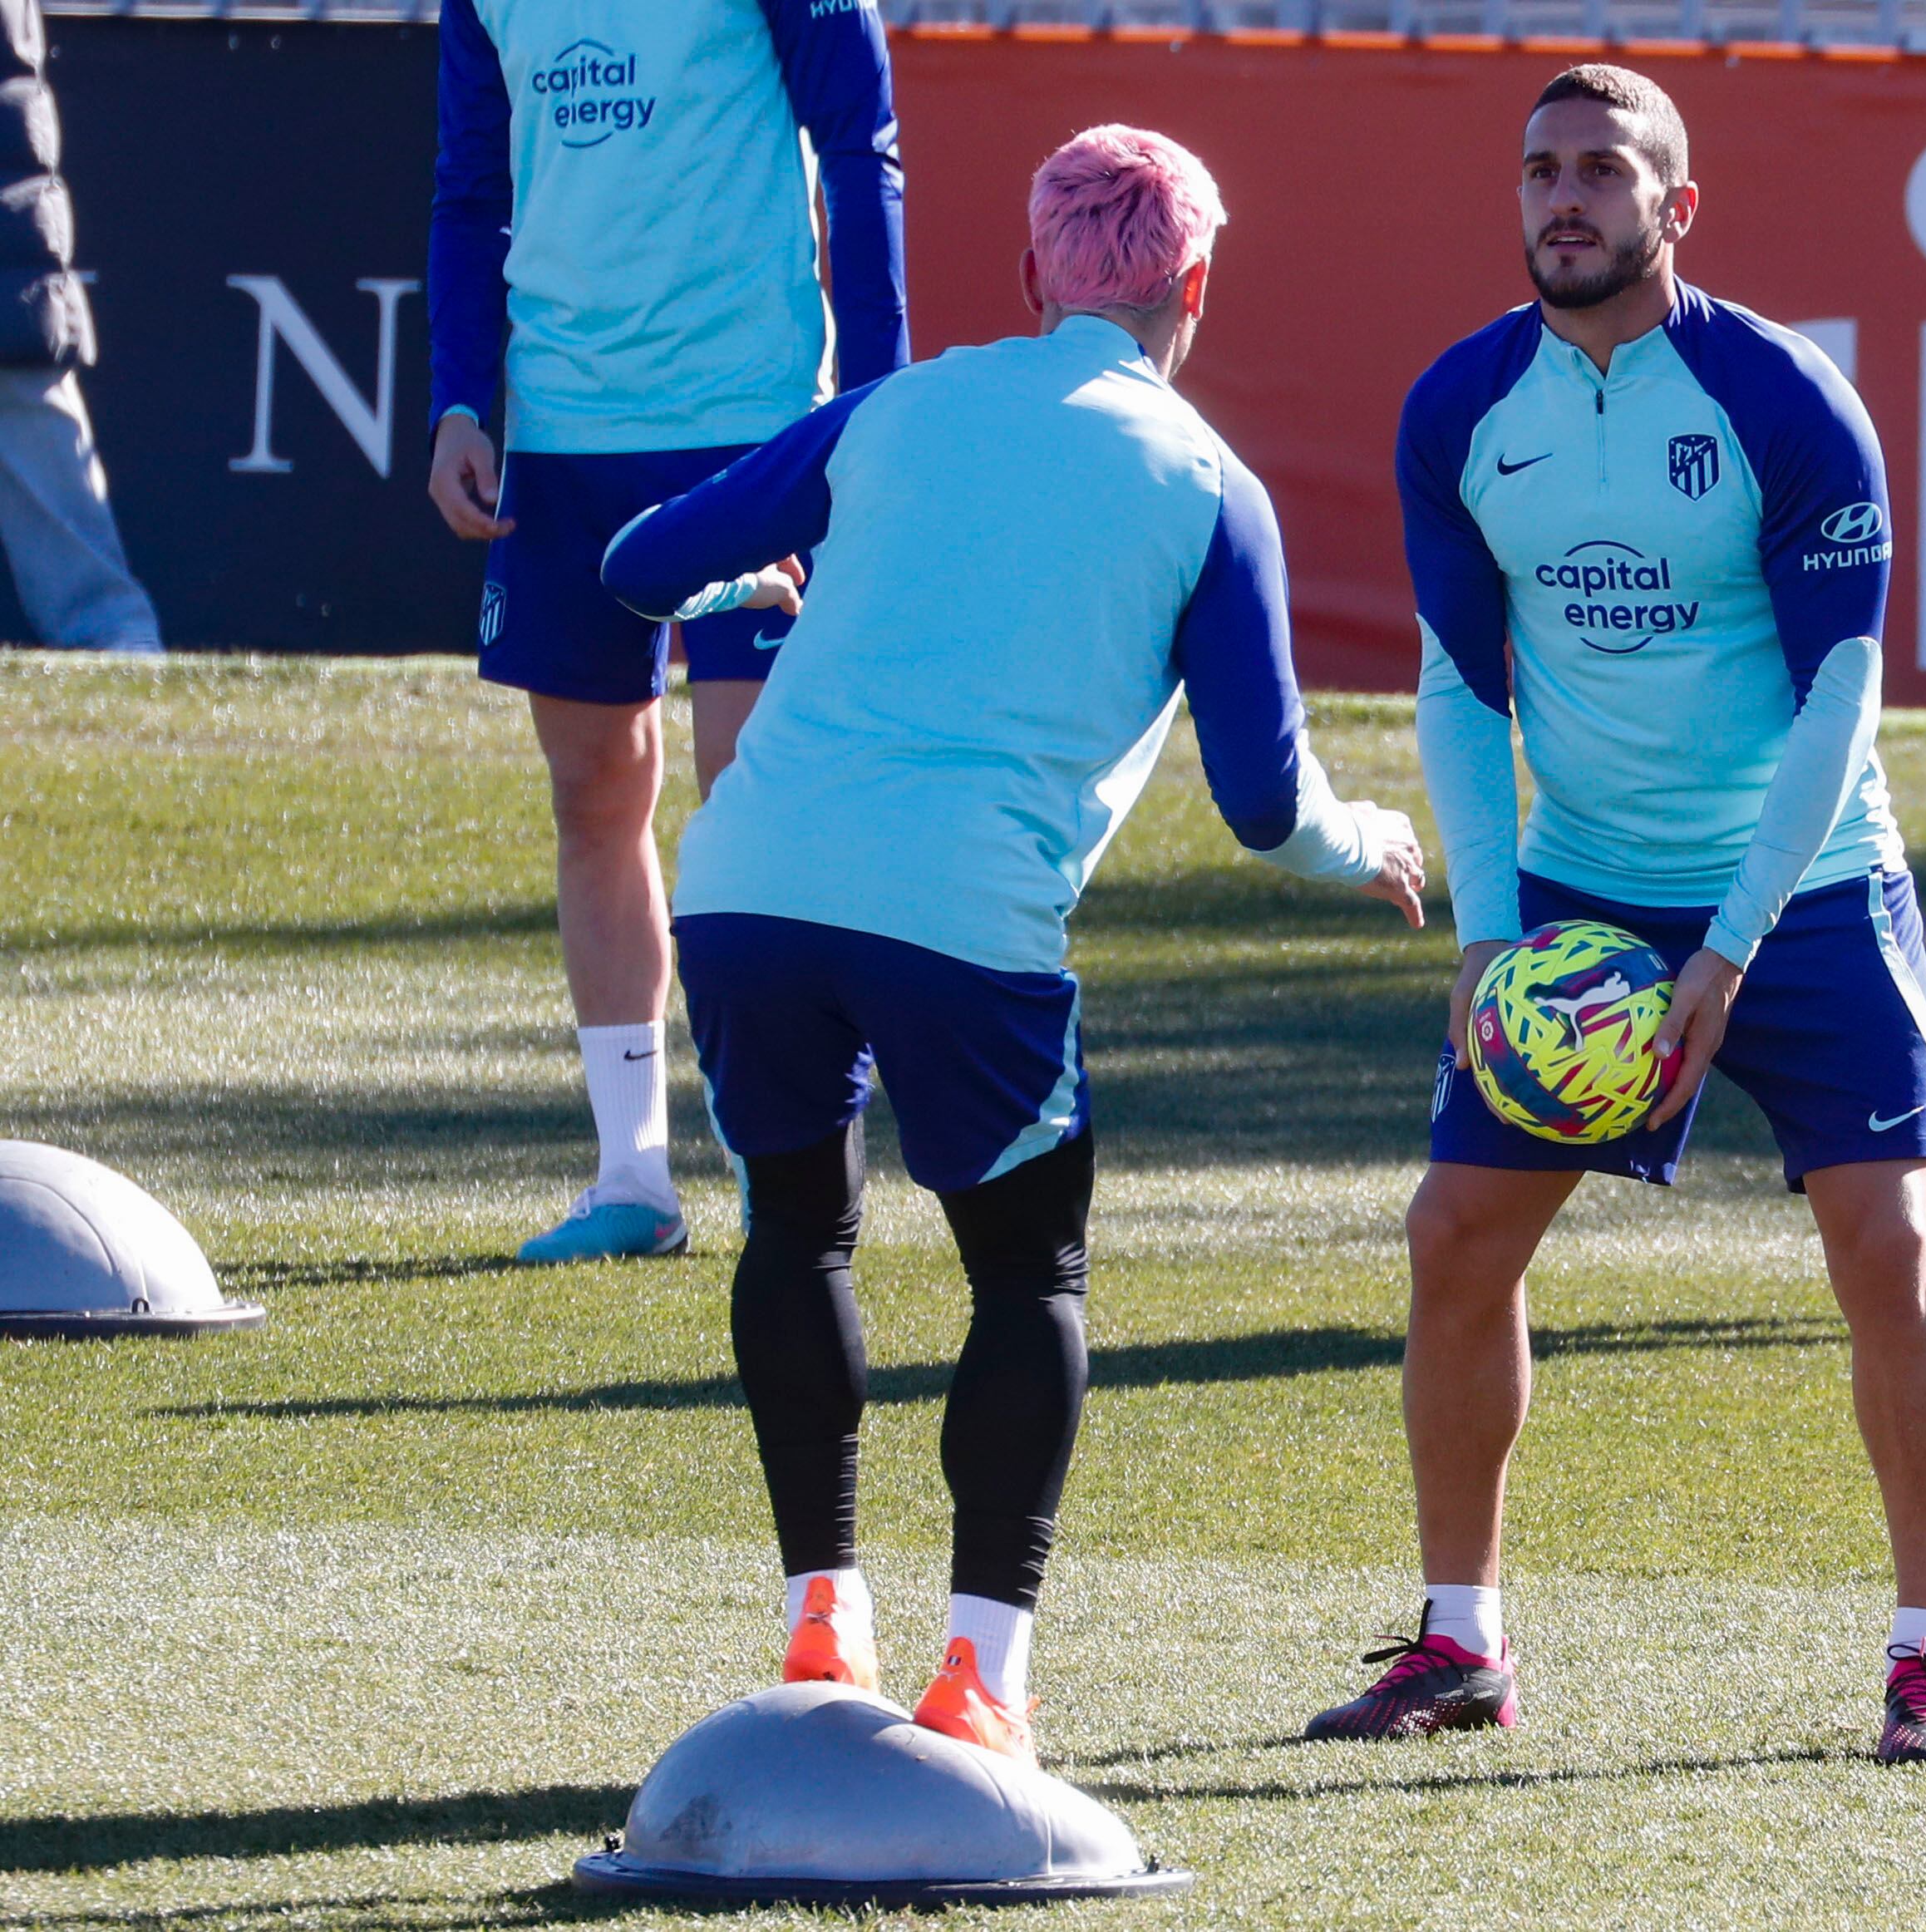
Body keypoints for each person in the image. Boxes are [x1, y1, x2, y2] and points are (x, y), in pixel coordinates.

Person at [598, 125, 1426, 1762]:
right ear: (1197, 287)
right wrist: (1368, 842)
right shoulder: (1211, 487)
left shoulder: (893, 408)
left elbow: (636, 568)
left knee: (797, 1231)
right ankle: (980, 1674)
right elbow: (1266, 803)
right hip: (964, 917)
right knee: (1028, 1273)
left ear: (1031, 270)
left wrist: (756, 595)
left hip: (750, 883)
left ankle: (820, 1621)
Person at [1302, 66, 1926, 1767]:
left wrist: (1731, 946)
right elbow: (1460, 683)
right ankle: (1460, 1640)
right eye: (1541, 168)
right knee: (1455, 1236)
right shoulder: (1462, 405)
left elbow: (1841, 694)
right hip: (1579, 889)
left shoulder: (1782, 401)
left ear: (1677, 207)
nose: (1564, 197)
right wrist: (1487, 930)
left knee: (1888, 1252)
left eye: (1603, 170)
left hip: (1805, 884)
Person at [425, 0, 907, 1264]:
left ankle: (780, 1166)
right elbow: (471, 190)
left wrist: (872, 397)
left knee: (750, 801)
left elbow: (859, 145)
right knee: (592, 792)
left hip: (753, 420)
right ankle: (632, 1177)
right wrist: (461, 400)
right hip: (562, 438)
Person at [0, 0, 160, 653]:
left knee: (96, 607)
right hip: (16, 280)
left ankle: (131, 674)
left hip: (14, 288)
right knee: (97, 605)